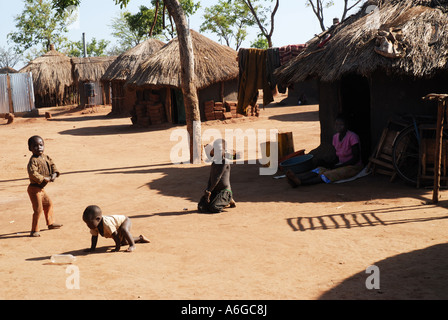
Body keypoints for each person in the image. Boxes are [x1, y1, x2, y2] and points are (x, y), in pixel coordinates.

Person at [286, 115, 363, 187]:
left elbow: (355, 159)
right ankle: (297, 178)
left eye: (341, 124)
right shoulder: (335, 137)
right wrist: (329, 164)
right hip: (341, 164)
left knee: (329, 174)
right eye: (336, 124)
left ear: (346, 125)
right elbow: (337, 155)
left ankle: (301, 182)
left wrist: (338, 166)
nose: (338, 127)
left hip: (353, 166)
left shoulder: (352, 137)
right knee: (319, 169)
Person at [27, 135, 63, 237]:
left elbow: (52, 165)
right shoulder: (33, 161)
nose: (39, 148)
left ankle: (50, 223)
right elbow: (32, 173)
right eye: (35, 146)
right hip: (34, 189)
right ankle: (34, 230)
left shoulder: (46, 157)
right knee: (38, 209)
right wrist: (44, 178)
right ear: (30, 148)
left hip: (41, 189)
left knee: (48, 204)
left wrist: (55, 174)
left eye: (41, 145)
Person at [82, 205, 150, 253]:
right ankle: (140, 238)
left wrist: (117, 248)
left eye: (89, 223)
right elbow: (94, 237)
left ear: (98, 219)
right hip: (116, 226)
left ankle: (132, 245)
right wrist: (92, 248)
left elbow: (115, 235)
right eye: (86, 223)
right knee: (124, 242)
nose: (88, 225)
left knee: (124, 230)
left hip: (124, 220)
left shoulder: (107, 223)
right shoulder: (94, 226)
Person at [198, 139, 236, 213]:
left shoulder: (224, 162)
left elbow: (217, 178)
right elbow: (211, 178)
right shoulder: (214, 163)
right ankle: (221, 201)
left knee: (214, 208)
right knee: (202, 207)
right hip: (214, 191)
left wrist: (209, 190)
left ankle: (228, 199)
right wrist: (207, 191)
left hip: (224, 191)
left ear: (224, 151)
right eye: (216, 150)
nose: (218, 152)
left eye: (220, 150)